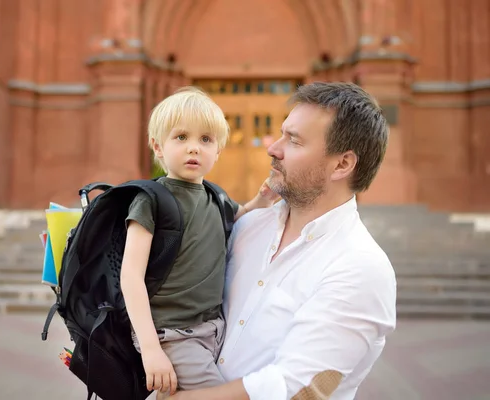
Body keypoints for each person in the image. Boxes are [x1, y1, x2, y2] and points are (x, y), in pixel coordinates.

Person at [170, 82, 397, 400]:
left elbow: (294, 388)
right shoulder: (248, 227)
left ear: (342, 164)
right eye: (281, 134)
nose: (273, 149)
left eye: (294, 140)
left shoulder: (360, 267)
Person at [120, 87, 278, 398]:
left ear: (219, 150)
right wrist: (151, 349)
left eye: (205, 140)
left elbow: (238, 218)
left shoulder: (216, 198)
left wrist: (260, 200)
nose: (194, 148)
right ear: (158, 146)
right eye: (181, 137)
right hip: (172, 334)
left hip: (213, 328)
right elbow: (131, 276)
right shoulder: (151, 201)